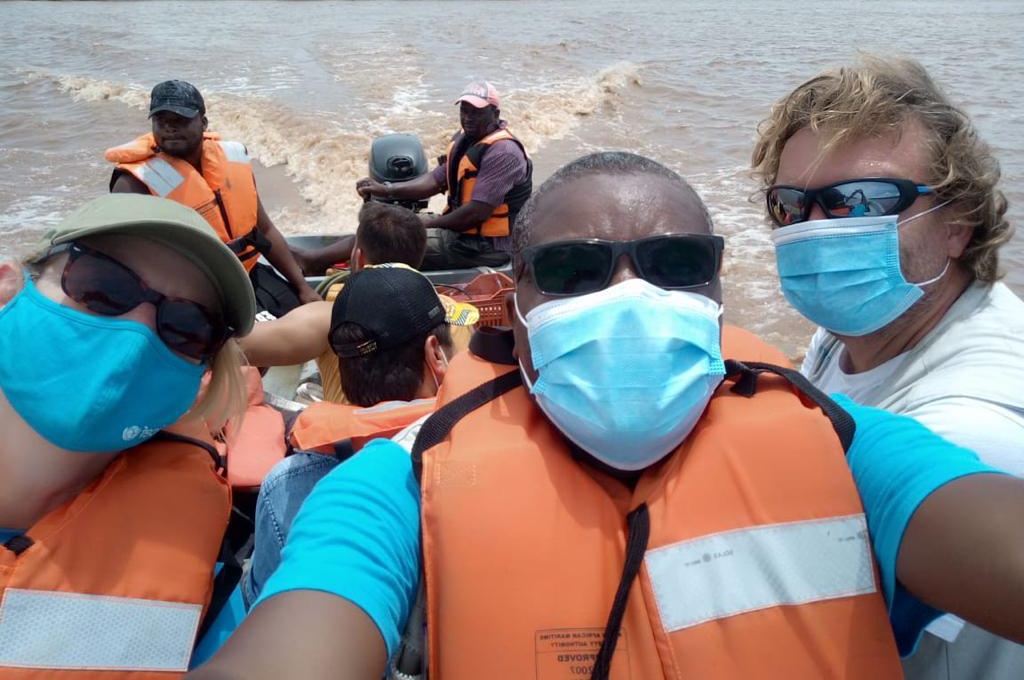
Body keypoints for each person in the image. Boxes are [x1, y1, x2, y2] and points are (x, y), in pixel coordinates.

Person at [189, 152, 1024, 680]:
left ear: (719, 290)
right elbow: (305, 631)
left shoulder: (845, 446)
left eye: (675, 263)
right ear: (508, 300)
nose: (632, 297)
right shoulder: (396, 485)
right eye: (575, 270)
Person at [753, 57, 1024, 679]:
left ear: (957, 223)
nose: (817, 229)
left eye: (863, 200)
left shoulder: (974, 432)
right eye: (791, 204)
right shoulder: (860, 325)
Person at [0, 193, 256, 676]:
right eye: (101, 287)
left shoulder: (206, 570)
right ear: (8, 288)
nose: (138, 335)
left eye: (186, 327)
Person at [242, 266, 455, 607]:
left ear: (341, 370)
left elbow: (261, 602)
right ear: (435, 354)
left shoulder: (286, 484)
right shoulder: (484, 448)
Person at [107, 79, 319, 314]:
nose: (170, 128)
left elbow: (265, 230)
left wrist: (302, 288)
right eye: (161, 121)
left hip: (247, 272)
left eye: (181, 120)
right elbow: (132, 265)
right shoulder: (133, 183)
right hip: (189, 293)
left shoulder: (233, 159)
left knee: (308, 317)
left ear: (204, 123)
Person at [239, 202, 476, 403]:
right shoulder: (453, 311)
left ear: (358, 256)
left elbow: (237, 346)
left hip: (358, 443)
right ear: (419, 257)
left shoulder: (330, 317)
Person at [354, 81, 533, 270]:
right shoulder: (468, 140)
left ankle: (331, 270)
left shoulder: (504, 153)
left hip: (486, 247)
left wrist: (430, 222)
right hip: (462, 235)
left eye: (477, 112)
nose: (468, 118)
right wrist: (386, 189)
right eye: (464, 111)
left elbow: (476, 213)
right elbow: (435, 180)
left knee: (383, 241)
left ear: (495, 114)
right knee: (375, 230)